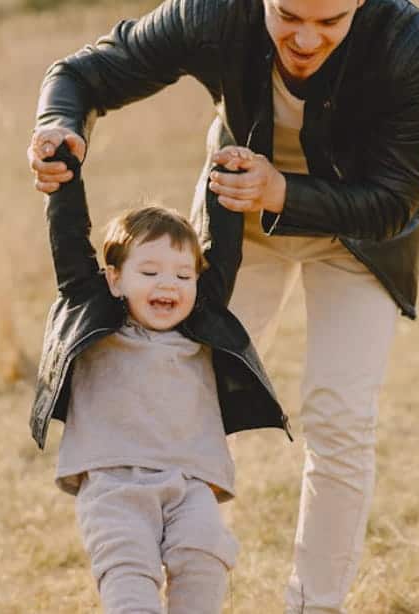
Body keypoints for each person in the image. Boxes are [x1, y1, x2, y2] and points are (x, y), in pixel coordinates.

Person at [26, 1, 419, 611]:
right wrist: (58, 125)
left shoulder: (407, 41)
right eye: (289, 14)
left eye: (330, 23)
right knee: (183, 396)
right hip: (236, 230)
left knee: (340, 419)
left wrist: (282, 189)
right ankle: (146, 570)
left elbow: (396, 199)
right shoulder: (214, 12)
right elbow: (84, 73)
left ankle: (315, 604)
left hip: (359, 237)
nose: (306, 38)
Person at [31, 144, 290, 612]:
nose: (167, 284)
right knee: (129, 572)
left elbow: (224, 250)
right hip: (114, 484)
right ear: (114, 279)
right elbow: (69, 243)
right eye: (149, 271)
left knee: (205, 556)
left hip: (190, 483)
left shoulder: (201, 322)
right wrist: (63, 174)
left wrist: (226, 171)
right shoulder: (97, 317)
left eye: (182, 275)